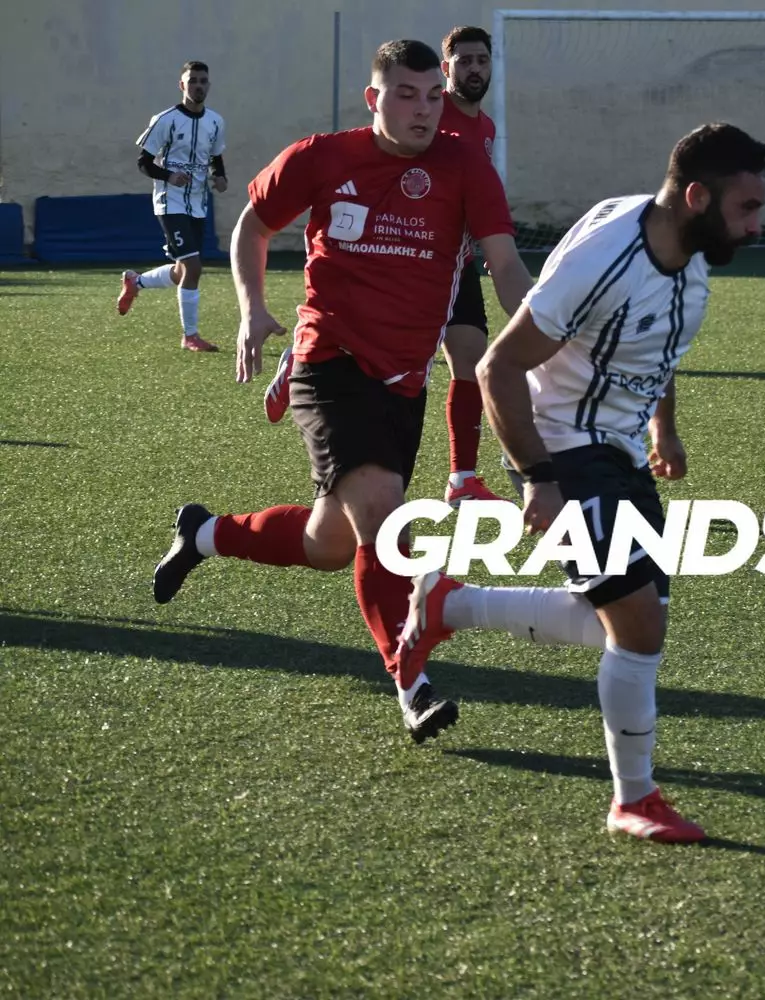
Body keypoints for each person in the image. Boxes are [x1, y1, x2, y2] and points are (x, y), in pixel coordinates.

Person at [395, 123, 765, 843]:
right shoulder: (608, 256)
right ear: (697, 197)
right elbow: (497, 368)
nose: (756, 225)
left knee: (619, 620)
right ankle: (634, 799)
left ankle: (448, 604)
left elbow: (659, 344)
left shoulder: (689, 252)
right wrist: (538, 477)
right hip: (560, 443)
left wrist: (663, 428)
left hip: (619, 450)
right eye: (746, 208)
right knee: (639, 625)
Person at [151, 40, 525, 743]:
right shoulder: (322, 157)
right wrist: (253, 310)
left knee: (328, 542)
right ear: (373, 98)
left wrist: (546, 334)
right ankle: (412, 682)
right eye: (406, 95)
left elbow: (504, 264)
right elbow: (253, 224)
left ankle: (202, 533)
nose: (423, 110)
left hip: (404, 378)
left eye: (433, 96)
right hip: (329, 361)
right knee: (383, 518)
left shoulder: (465, 163)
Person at [264, 26, 534, 509]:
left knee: (471, 362)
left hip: (454, 264)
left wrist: (543, 320)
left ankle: (461, 477)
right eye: (465, 61)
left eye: (482, 60)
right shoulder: (423, 118)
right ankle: (306, 357)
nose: (475, 69)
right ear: (446, 69)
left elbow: (500, 246)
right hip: (400, 274)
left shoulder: (484, 131)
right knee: (376, 509)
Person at [116, 61, 228, 352]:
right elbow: (144, 162)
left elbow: (215, 157)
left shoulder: (215, 121)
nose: (198, 86)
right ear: (182, 85)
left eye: (203, 81)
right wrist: (169, 176)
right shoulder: (166, 119)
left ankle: (136, 282)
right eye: (192, 81)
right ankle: (190, 336)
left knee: (182, 271)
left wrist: (219, 176)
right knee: (193, 267)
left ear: (209, 85)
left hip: (198, 204)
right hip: (170, 201)